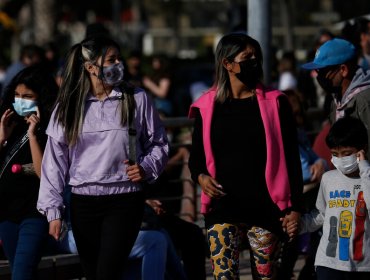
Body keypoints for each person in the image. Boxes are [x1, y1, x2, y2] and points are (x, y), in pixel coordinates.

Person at [36, 36, 169, 280]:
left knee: (108, 272)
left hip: (125, 199)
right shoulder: (69, 106)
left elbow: (158, 142)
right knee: (93, 272)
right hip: (83, 202)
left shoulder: (136, 98)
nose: (118, 64)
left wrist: (147, 167)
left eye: (119, 58)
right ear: (90, 67)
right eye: (111, 60)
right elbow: (54, 162)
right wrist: (53, 211)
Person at [188, 32, 303, 279]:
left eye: (256, 56)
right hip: (222, 207)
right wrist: (201, 178)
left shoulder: (276, 102)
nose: (254, 61)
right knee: (224, 276)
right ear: (227, 64)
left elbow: (291, 157)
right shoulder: (207, 106)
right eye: (246, 56)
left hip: (266, 207)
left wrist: (295, 207)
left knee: (266, 276)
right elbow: (195, 157)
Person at [285, 117, 370, 280]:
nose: (340, 159)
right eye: (334, 154)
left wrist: (365, 171)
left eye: (346, 154)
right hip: (328, 263)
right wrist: (300, 225)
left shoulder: (367, 177)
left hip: (362, 265)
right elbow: (322, 214)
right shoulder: (328, 179)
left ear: (362, 149)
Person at [0, 65, 58, 279]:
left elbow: (45, 174)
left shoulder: (50, 129)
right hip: (6, 213)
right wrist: (2, 138)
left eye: (28, 96)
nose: (20, 100)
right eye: (17, 95)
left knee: (22, 274)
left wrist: (33, 136)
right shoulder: (10, 124)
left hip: (34, 213)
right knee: (19, 272)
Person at [301, 38, 370, 160]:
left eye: (323, 71)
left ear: (343, 70)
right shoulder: (337, 99)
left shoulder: (364, 100)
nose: (319, 76)